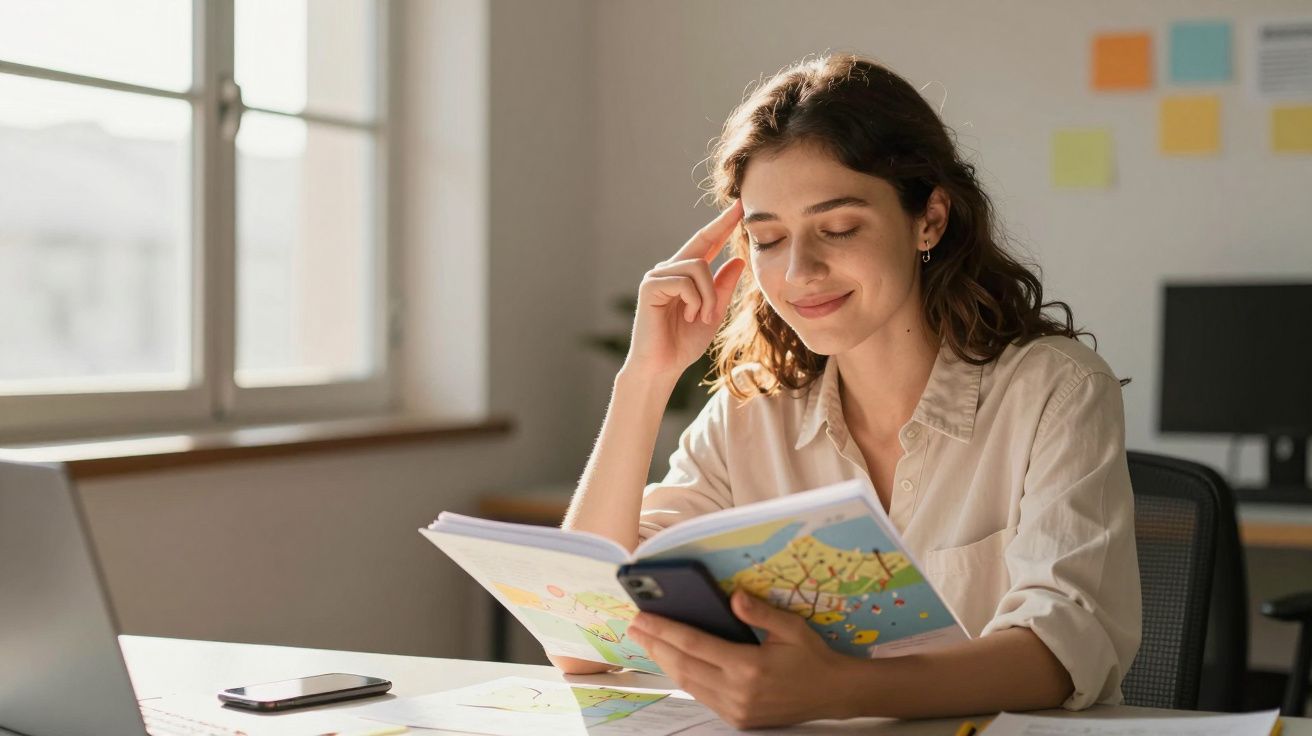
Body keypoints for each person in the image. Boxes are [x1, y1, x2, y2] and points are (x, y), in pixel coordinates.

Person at [558, 54, 1141, 729]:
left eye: (837, 229)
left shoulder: (1055, 391)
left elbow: (1061, 652)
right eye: (768, 239)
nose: (800, 271)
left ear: (930, 220)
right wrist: (645, 379)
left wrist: (841, 689)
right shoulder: (751, 414)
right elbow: (582, 638)